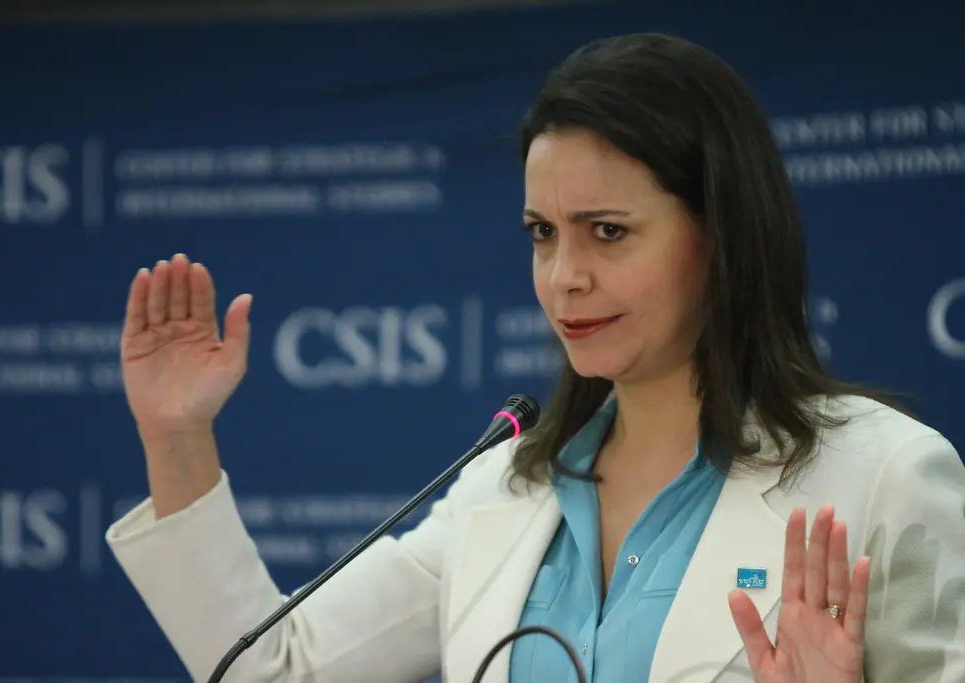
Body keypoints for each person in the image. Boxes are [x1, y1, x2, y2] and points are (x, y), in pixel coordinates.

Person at [105, 33, 965, 683]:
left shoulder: (884, 474)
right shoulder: (500, 490)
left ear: (723, 234)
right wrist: (177, 436)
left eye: (608, 232)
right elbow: (273, 666)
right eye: (542, 233)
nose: (564, 277)